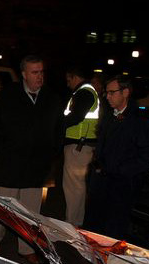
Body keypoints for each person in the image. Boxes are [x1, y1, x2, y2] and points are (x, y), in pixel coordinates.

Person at [0, 55, 62, 264]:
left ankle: (26, 247)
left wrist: (50, 151)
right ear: (24, 74)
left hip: (36, 168)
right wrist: (4, 148)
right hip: (10, 165)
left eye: (42, 72)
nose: (40, 76)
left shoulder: (51, 98)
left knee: (30, 213)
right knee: (3, 207)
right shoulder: (8, 95)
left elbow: (58, 128)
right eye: (35, 72)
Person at [83, 76, 149, 240]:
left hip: (120, 187)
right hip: (100, 185)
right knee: (93, 229)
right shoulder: (109, 116)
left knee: (112, 233)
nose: (107, 96)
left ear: (125, 92)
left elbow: (148, 154)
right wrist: (92, 174)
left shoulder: (140, 121)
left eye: (111, 92)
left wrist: (120, 170)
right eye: (106, 93)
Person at [62, 67, 103, 227]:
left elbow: (75, 117)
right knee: (77, 186)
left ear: (75, 77)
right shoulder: (87, 91)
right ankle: (76, 222)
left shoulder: (84, 92)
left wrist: (57, 125)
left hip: (79, 146)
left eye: (68, 79)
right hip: (82, 145)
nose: (67, 84)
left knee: (73, 187)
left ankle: (72, 223)